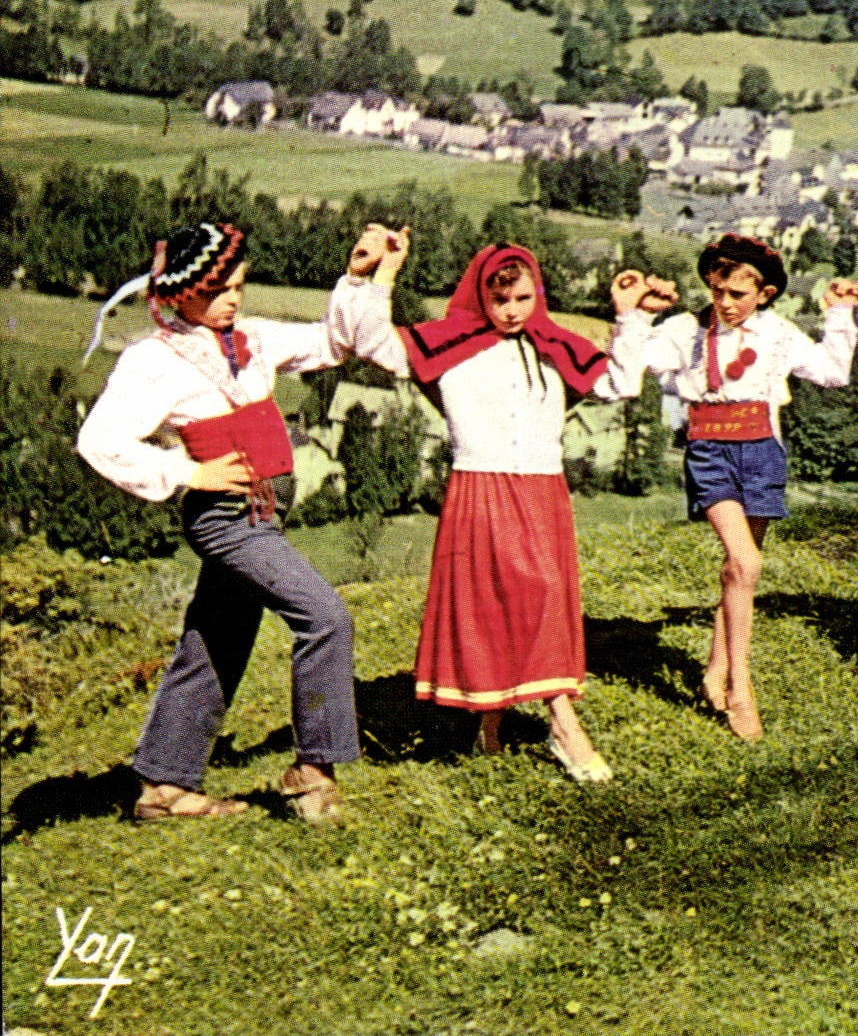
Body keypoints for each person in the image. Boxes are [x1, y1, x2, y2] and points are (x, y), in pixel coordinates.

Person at [77, 220, 407, 823]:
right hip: (227, 518)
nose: (231, 299)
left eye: (238, 286)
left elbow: (337, 342)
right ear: (180, 293)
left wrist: (359, 277)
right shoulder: (153, 360)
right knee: (325, 616)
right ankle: (314, 774)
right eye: (216, 291)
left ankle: (164, 785)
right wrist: (187, 471)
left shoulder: (253, 338)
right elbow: (99, 440)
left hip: (262, 510)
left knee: (215, 638)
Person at [361, 241, 674, 781]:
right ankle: (538, 724)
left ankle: (535, 723)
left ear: (538, 295)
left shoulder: (553, 346)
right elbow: (370, 342)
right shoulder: (449, 344)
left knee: (545, 594)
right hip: (479, 488)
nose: (511, 310)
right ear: (479, 295)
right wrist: (383, 273)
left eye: (523, 298)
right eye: (499, 299)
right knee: (492, 604)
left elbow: (621, 382)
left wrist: (630, 317)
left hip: (543, 490)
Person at [635, 234, 858, 741]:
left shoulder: (777, 332)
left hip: (763, 450)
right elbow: (642, 361)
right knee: (745, 562)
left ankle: (714, 670)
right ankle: (740, 687)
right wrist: (641, 312)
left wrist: (840, 314)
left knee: (739, 570)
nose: (725, 303)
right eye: (718, 290)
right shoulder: (687, 329)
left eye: (738, 294)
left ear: (764, 294)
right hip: (710, 450)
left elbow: (833, 372)